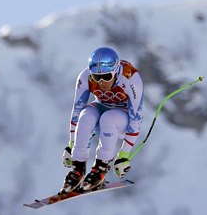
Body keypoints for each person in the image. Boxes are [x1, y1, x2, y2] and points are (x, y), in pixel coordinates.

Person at [60, 46, 144, 194]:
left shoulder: (131, 78)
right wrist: (71, 145)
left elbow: (136, 119)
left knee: (108, 118)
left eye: (106, 77)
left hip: (122, 117)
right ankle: (78, 168)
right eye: (97, 77)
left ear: (116, 72)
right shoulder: (85, 77)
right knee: (85, 115)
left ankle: (101, 168)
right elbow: (76, 112)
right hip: (102, 106)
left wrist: (124, 155)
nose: (101, 82)